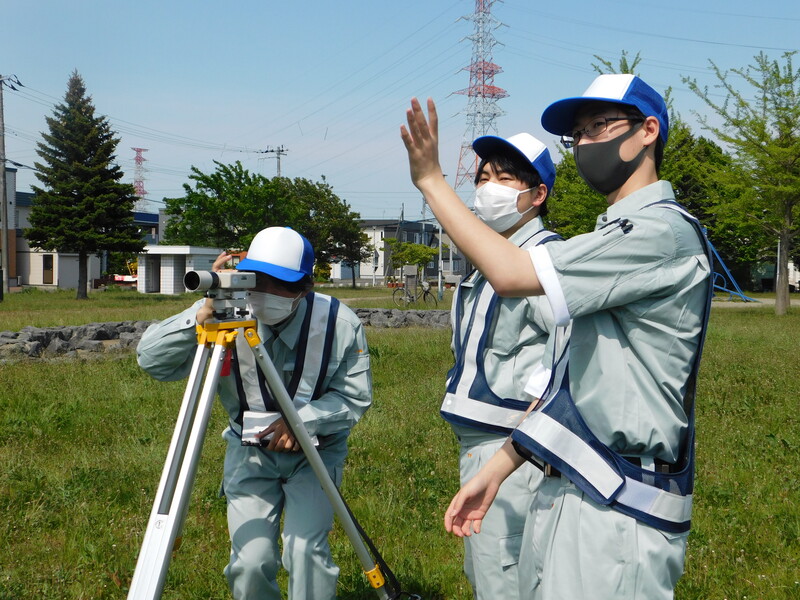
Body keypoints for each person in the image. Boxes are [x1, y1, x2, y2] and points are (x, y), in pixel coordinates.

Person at [401, 74, 711, 599]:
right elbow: (574, 382)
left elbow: (512, 274)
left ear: (647, 131)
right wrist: (501, 467)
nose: (586, 143)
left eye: (599, 126)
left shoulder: (660, 231)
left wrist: (431, 181)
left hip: (621, 501)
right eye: (578, 135)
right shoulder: (610, 235)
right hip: (576, 482)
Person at [137, 226, 372, 600]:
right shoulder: (221, 316)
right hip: (248, 453)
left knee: (305, 552)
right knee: (251, 562)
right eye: (257, 278)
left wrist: (302, 422)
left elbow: (354, 398)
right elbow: (151, 362)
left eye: (280, 284)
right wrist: (200, 315)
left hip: (316, 453)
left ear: (305, 288)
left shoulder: (339, 323)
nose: (265, 292)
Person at [440, 132, 560, 600]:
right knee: (486, 574)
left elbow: (569, 355)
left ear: (537, 195)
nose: (489, 187)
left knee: (507, 580)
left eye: (505, 177)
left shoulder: (542, 260)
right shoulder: (489, 260)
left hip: (514, 451)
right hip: (480, 447)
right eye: (484, 177)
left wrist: (531, 437)